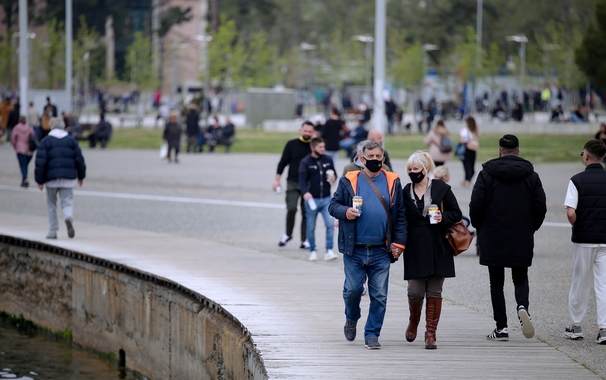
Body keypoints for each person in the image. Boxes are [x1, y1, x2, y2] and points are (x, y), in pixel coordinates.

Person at [328, 141, 407, 350]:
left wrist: (399, 243)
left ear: (383, 158)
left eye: (378, 156)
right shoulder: (349, 180)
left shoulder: (393, 181)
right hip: (354, 249)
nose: (375, 160)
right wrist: (345, 211)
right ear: (361, 159)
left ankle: (372, 334)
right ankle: (351, 317)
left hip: (381, 249)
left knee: (379, 295)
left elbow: (400, 215)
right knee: (352, 290)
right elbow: (333, 206)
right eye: (370, 156)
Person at [469, 134, 547, 341]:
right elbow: (540, 207)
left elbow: (476, 205)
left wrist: (480, 227)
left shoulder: (486, 174)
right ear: (518, 151)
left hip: (493, 234)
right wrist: (531, 228)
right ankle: (522, 306)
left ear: (499, 151)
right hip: (521, 233)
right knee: (521, 276)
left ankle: (501, 327)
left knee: (496, 282)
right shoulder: (531, 175)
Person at [401, 151, 462, 349]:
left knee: (435, 291)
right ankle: (414, 320)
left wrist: (442, 218)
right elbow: (400, 219)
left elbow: (456, 213)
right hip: (415, 246)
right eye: (409, 169)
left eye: (416, 169)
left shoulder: (441, 188)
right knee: (415, 292)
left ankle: (430, 333)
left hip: (438, 244)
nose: (412, 172)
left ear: (426, 169)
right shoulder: (405, 191)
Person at [563, 139, 606, 344]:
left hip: (583, 238)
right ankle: (604, 328)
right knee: (603, 284)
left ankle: (576, 326)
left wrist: (576, 224)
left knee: (580, 281)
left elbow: (571, 212)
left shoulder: (576, 180)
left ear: (586, 156)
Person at [35, 117, 86, 239]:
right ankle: (68, 217)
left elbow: (40, 162)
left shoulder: (45, 141)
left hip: (50, 178)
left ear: (51, 126)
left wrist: (39, 180)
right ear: (63, 126)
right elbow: (79, 160)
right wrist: (81, 176)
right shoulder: (71, 141)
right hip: (68, 178)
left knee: (51, 205)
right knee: (67, 202)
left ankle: (53, 231)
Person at [273, 121, 314, 248]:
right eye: (305, 131)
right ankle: (288, 233)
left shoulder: (314, 146)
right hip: (292, 182)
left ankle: (305, 239)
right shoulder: (292, 144)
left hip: (308, 184)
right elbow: (283, 162)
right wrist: (277, 180)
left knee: (306, 212)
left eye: (310, 131)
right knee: (291, 208)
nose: (307, 133)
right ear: (300, 130)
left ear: (313, 133)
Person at [298, 137, 338, 261]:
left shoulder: (328, 159)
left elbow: (334, 174)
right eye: (320, 147)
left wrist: (333, 178)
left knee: (330, 224)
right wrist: (305, 193)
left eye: (323, 147)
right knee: (310, 226)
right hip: (312, 200)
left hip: (326, 198)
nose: (323, 149)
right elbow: (302, 180)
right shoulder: (305, 162)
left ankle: (329, 250)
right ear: (313, 148)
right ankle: (313, 250)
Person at [10, 116, 36, 188]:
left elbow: (13, 138)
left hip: (20, 149)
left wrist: (15, 147)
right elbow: (33, 136)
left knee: (23, 165)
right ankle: (24, 178)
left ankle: (25, 179)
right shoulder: (29, 128)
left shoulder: (16, 128)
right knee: (25, 165)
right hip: (29, 150)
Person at [459, 116, 479, 187]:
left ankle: (468, 180)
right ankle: (467, 179)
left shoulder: (465, 130)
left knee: (467, 166)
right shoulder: (474, 131)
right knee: (471, 166)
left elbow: (462, 140)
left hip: (466, 149)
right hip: (473, 150)